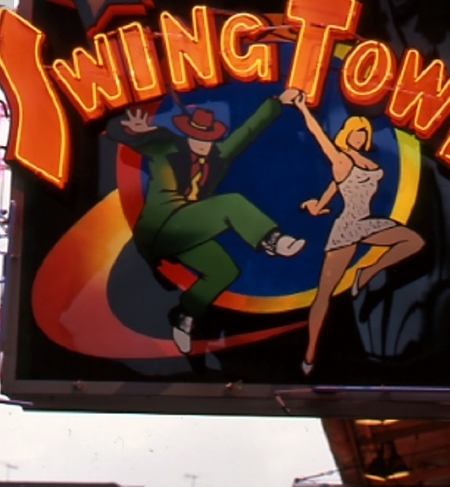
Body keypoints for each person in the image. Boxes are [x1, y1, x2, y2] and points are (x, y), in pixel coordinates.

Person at [107, 92, 305, 354]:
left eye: (208, 139)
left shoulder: (218, 156)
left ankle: (185, 315)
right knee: (231, 204)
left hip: (189, 231)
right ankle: (270, 239)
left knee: (224, 270)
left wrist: (277, 103)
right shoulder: (165, 146)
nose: (202, 145)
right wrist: (139, 130)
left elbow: (248, 131)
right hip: (161, 228)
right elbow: (113, 130)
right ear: (187, 135)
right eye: (197, 138)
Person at [291, 92, 425, 374]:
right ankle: (310, 352)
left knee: (412, 240)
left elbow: (333, 186)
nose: (359, 136)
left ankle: (367, 272)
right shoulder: (340, 160)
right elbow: (318, 136)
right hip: (346, 228)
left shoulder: (368, 161)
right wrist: (302, 107)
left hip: (365, 222)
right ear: (346, 134)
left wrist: (320, 203)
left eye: (363, 132)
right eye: (354, 132)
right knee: (324, 294)